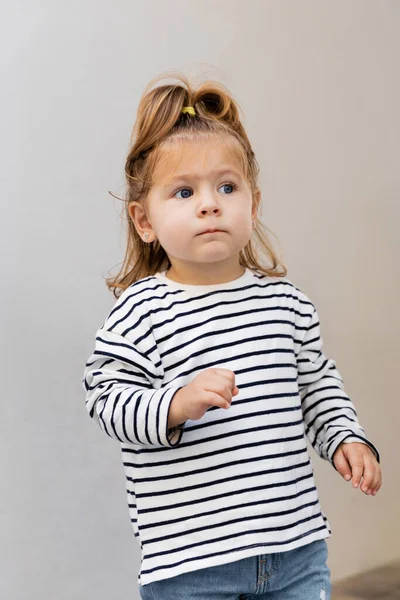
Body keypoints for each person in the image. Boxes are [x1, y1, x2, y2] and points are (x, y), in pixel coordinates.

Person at [82, 72, 382, 600]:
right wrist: (174, 402)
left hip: (294, 549)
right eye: (183, 191)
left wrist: (346, 437)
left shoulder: (285, 304)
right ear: (143, 220)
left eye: (227, 186)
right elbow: (105, 400)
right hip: (191, 563)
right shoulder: (140, 313)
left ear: (254, 203)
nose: (210, 204)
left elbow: (316, 386)